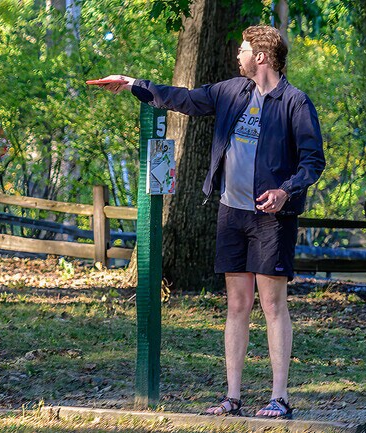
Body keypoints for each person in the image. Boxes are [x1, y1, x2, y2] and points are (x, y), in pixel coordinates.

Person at [98, 25, 325, 419]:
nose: (237, 56)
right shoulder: (230, 92)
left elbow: (313, 161)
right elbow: (183, 99)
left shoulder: (295, 103)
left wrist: (285, 191)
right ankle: (232, 398)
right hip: (231, 214)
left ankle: (279, 398)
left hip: (273, 219)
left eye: (243, 50)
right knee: (237, 304)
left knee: (272, 305)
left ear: (261, 57)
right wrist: (134, 84)